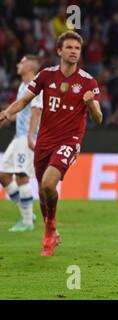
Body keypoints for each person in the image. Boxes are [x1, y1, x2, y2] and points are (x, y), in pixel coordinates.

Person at [0, 31, 103, 256]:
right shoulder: (46, 76)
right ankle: (50, 227)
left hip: (69, 141)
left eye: (77, 48)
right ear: (59, 51)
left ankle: (50, 227)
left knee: (48, 183)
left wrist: (92, 105)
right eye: (69, 47)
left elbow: (99, 118)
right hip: (44, 141)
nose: (74, 51)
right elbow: (26, 100)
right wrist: (7, 112)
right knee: (43, 192)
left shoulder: (88, 82)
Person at [0, 55, 43, 232]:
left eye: (22, 62)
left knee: (22, 177)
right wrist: (8, 117)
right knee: (3, 175)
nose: (18, 64)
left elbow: (36, 112)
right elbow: (24, 112)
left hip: (27, 138)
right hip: (18, 137)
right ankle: (26, 211)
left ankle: (27, 221)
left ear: (30, 66)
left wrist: (31, 137)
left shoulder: (37, 86)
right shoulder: (22, 86)